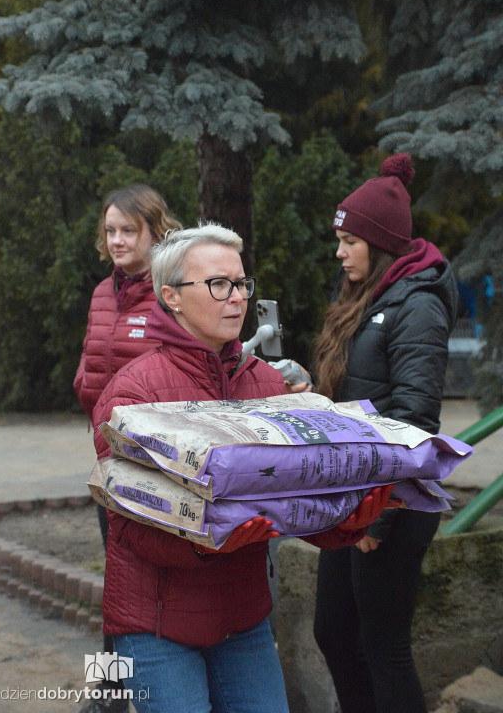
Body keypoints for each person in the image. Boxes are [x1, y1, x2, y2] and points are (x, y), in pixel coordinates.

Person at [91, 222, 394, 713]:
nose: (237, 298)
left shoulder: (268, 385)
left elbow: (294, 501)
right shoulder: (132, 394)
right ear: (171, 296)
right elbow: (126, 526)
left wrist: (343, 521)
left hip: (243, 620)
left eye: (242, 284)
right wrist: (213, 538)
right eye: (219, 285)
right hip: (155, 626)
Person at [312, 153, 458, 713]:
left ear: (379, 243)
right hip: (352, 492)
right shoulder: (365, 297)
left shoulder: (417, 304)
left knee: (383, 645)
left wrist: (382, 512)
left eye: (350, 242)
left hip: (391, 502)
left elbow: (417, 421)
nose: (340, 251)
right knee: (333, 632)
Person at [73, 183, 181, 713]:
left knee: (148, 584)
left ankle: (150, 688)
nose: (116, 240)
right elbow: (92, 364)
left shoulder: (170, 293)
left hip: (156, 466)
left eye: (127, 230)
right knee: (115, 578)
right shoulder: (101, 293)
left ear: (153, 231)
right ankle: (110, 690)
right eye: (110, 230)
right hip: (109, 462)